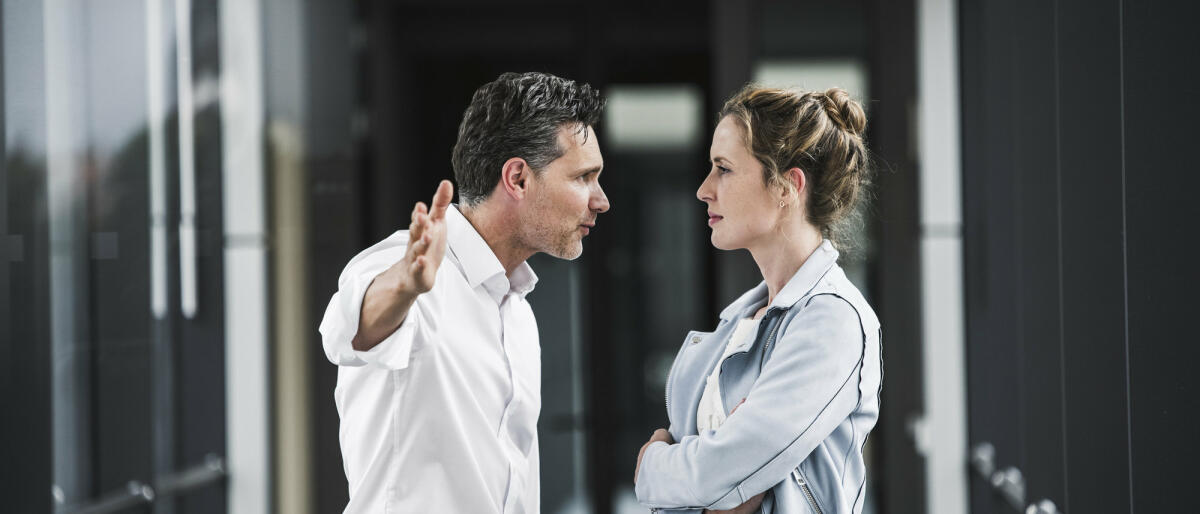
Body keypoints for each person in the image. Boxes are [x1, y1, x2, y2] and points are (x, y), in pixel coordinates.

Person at [318, 71, 609, 513]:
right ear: (518, 178)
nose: (600, 199)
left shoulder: (518, 312)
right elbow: (347, 331)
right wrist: (406, 284)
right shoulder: (406, 266)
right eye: (584, 177)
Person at [633, 85, 882, 514]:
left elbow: (718, 474)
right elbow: (720, 486)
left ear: (788, 186)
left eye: (723, 169)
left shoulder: (832, 321)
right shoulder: (741, 322)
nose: (704, 190)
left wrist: (652, 464)